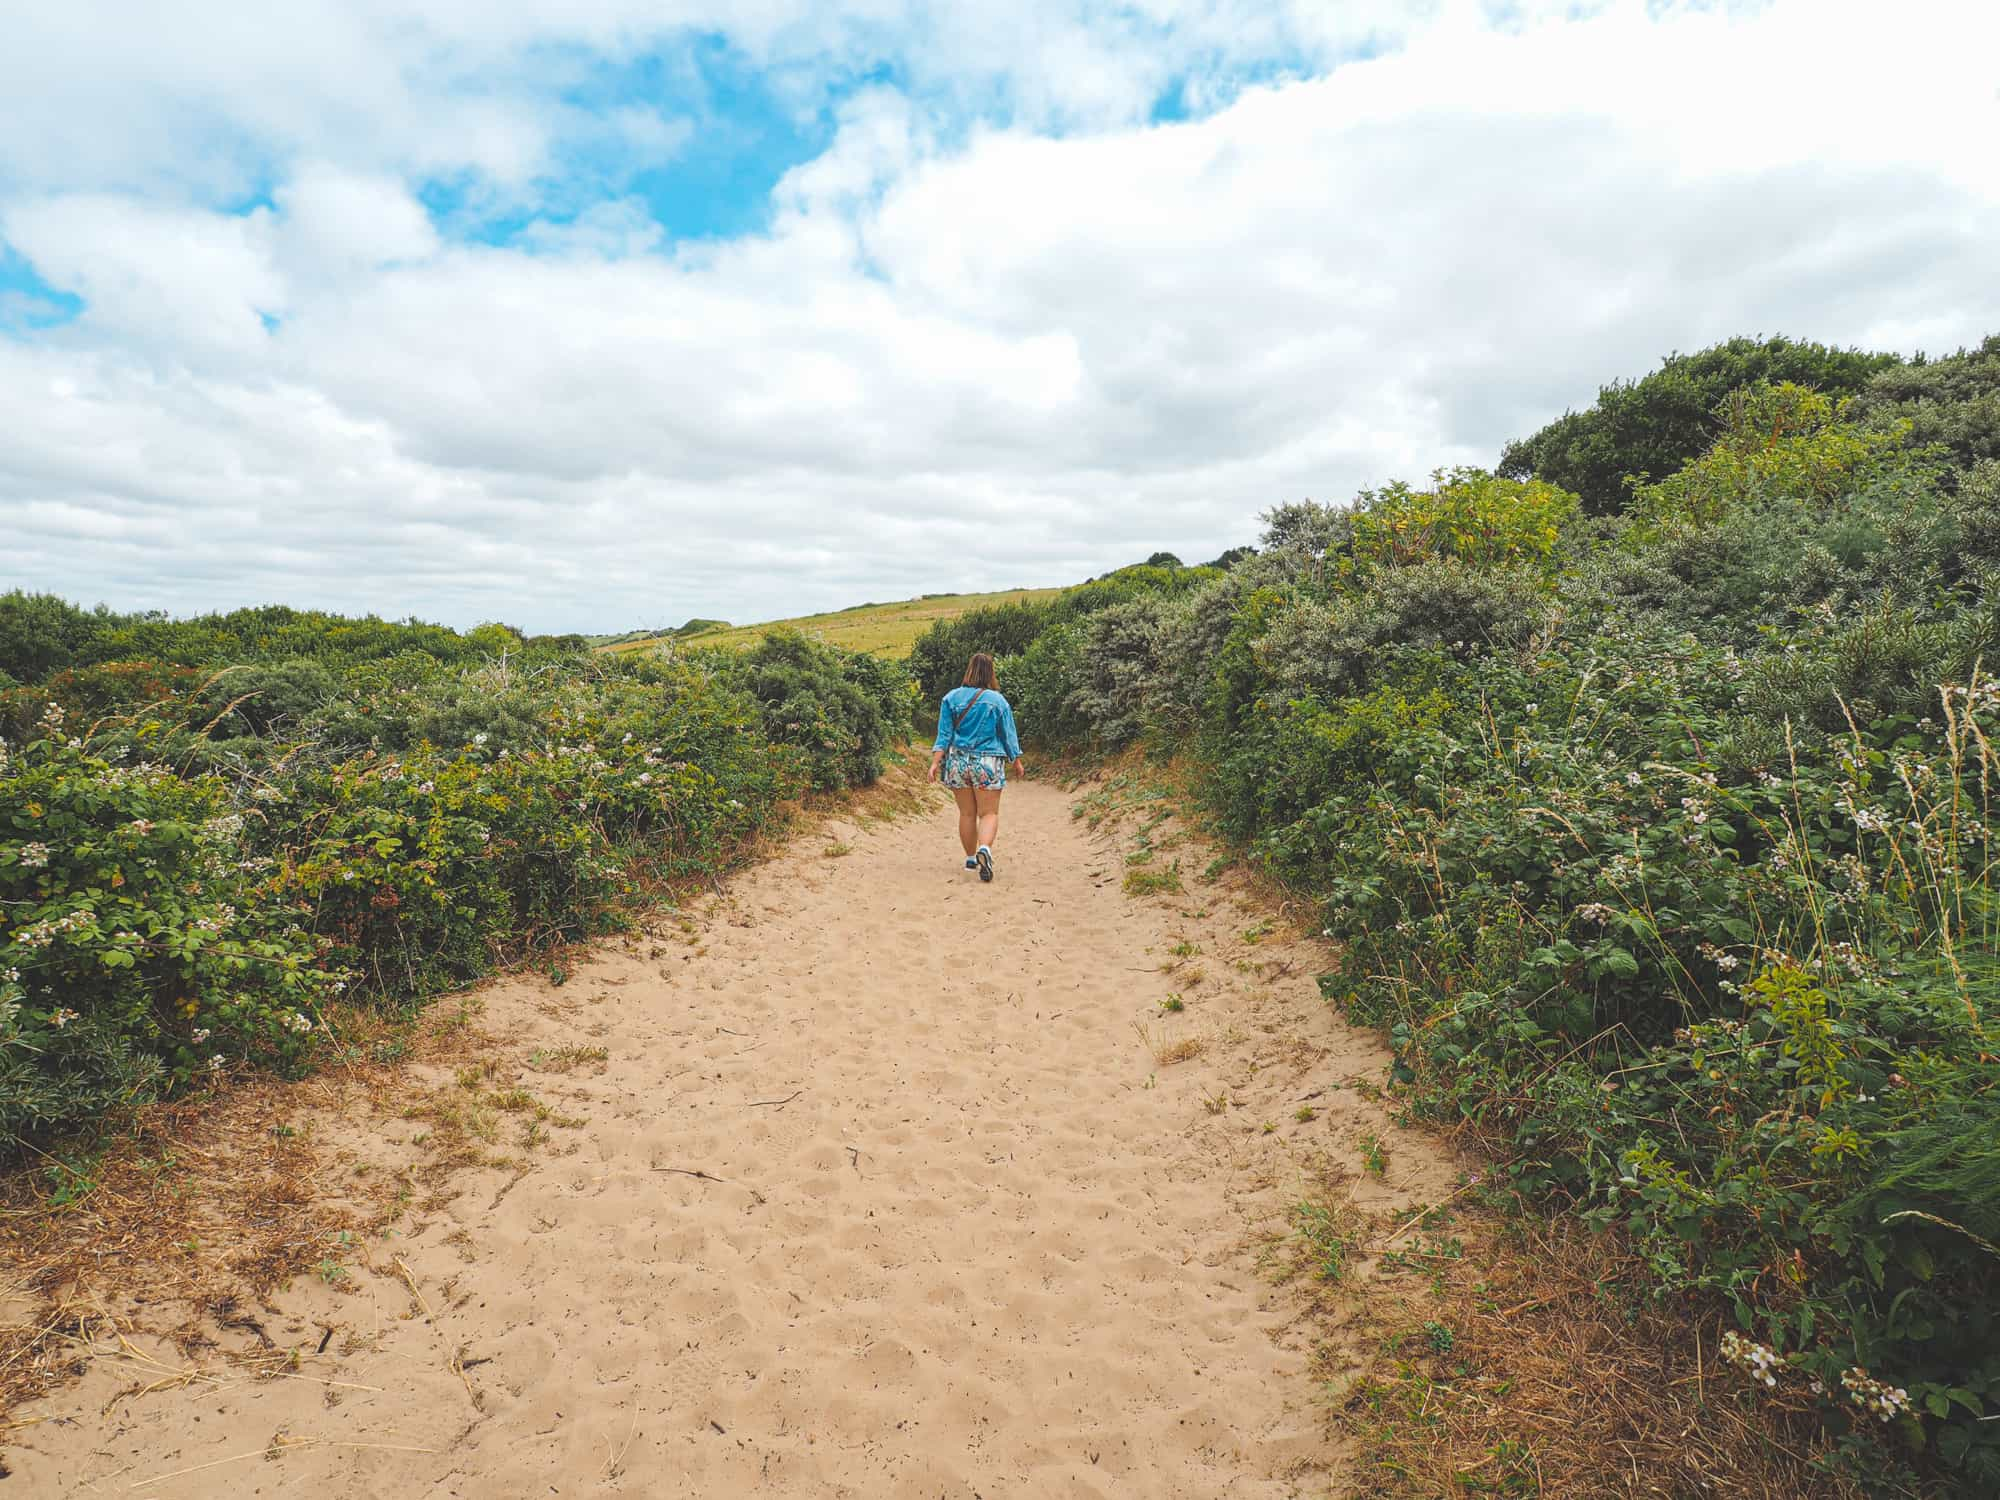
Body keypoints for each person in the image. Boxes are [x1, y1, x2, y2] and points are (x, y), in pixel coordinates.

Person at [929, 652, 1023, 882]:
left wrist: (934, 763)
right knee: (988, 813)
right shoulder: (997, 701)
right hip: (987, 762)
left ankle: (971, 858)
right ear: (991, 672)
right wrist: (1016, 761)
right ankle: (985, 849)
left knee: (967, 813)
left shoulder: (951, 698)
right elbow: (1008, 735)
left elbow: (944, 735)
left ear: (969, 669)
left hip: (958, 762)